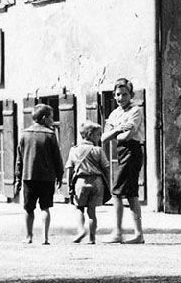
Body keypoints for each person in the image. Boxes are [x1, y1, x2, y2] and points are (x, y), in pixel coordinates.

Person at [101, 77, 146, 243]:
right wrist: (119, 129)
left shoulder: (135, 111)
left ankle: (118, 232)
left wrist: (115, 131)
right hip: (120, 152)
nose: (121, 98)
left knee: (117, 192)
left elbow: (127, 136)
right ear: (114, 95)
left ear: (131, 95)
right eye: (118, 94)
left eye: (124, 94)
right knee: (131, 193)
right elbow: (104, 138)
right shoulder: (115, 113)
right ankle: (138, 234)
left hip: (132, 151)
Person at [15, 103, 65, 245]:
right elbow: (57, 158)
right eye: (51, 117)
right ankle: (45, 237)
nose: (52, 121)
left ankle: (28, 236)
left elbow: (19, 158)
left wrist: (18, 178)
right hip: (47, 178)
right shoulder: (50, 135)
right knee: (45, 208)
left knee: (28, 209)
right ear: (44, 118)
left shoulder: (24, 134)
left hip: (28, 176)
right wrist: (60, 175)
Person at [65, 123, 111, 243]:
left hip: (80, 182)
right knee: (92, 211)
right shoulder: (98, 150)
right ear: (90, 135)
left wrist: (69, 185)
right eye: (98, 134)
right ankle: (92, 238)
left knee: (79, 208)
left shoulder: (74, 150)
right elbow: (106, 167)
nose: (99, 137)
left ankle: (81, 230)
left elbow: (69, 168)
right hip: (97, 182)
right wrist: (108, 183)